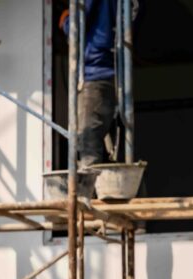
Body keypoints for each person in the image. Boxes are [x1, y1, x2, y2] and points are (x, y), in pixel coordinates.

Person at [59, 0, 127, 167]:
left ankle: (86, 192)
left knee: (88, 142)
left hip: (95, 72)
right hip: (117, 73)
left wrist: (65, 19)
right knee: (118, 146)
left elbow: (75, 27)